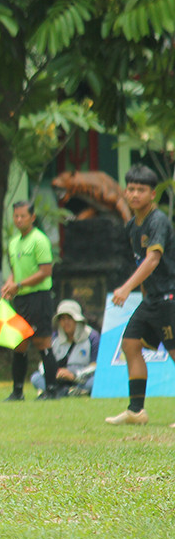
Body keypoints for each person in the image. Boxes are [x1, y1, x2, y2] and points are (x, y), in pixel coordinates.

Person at [106, 164, 175, 426]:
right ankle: (136, 411)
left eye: (141, 190)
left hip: (169, 296)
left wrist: (126, 289)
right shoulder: (132, 226)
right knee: (131, 343)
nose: (135, 194)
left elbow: (153, 259)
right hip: (152, 300)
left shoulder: (157, 221)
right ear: (125, 191)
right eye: (131, 189)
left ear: (152, 194)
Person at [1, 200, 59, 401]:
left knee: (42, 341)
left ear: (32, 217)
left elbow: (45, 271)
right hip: (21, 298)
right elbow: (14, 272)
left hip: (39, 297)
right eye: (15, 216)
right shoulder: (13, 242)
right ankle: (17, 392)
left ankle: (52, 390)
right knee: (19, 343)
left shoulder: (39, 240)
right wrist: (9, 285)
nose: (18, 220)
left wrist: (19, 285)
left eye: (22, 216)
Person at [30, 299, 99, 397]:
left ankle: (70, 391)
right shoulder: (54, 338)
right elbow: (43, 363)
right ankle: (69, 392)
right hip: (58, 378)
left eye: (69, 318)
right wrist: (54, 373)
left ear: (77, 320)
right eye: (62, 319)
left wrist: (74, 376)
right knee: (35, 378)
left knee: (95, 382)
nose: (66, 322)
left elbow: (95, 365)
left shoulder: (92, 337)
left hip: (82, 377)